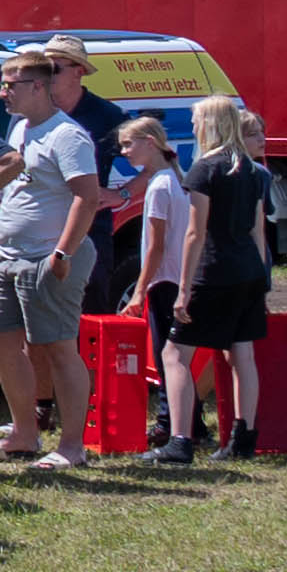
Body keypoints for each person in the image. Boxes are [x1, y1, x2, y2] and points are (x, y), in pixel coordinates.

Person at [0, 42, 103, 470]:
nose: (2, 93)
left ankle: (71, 447)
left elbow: (87, 197)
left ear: (38, 87)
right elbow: (17, 186)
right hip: (8, 256)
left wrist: (63, 253)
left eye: (10, 86)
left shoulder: (68, 136)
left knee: (58, 348)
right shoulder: (21, 128)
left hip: (48, 257)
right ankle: (24, 435)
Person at [165, 107, 273, 466]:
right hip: (249, 270)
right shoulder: (254, 172)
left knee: (176, 353)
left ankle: (179, 440)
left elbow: (195, 232)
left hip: (213, 271)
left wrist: (184, 288)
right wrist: (263, 281)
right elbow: (259, 230)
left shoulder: (205, 169)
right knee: (243, 355)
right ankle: (245, 437)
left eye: (195, 121)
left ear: (208, 125)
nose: (193, 125)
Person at [124, 115, 195, 436]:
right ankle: (192, 422)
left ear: (150, 143)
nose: (124, 152)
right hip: (176, 277)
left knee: (167, 356)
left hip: (164, 280)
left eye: (128, 144)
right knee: (179, 355)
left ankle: (169, 422)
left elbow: (155, 246)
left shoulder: (160, 186)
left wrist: (139, 291)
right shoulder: (175, 180)